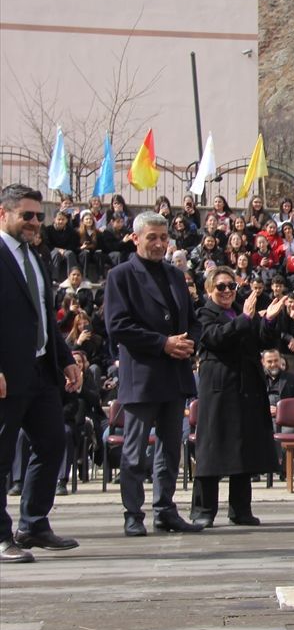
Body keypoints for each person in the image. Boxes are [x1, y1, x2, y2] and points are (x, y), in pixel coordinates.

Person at [104, 212, 203, 536]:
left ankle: (165, 510)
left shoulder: (175, 275)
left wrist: (190, 342)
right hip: (143, 376)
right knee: (134, 452)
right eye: (152, 237)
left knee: (170, 449)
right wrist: (162, 343)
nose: (160, 243)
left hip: (174, 375)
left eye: (164, 238)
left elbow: (191, 319)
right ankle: (133, 513)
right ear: (136, 238)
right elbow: (118, 326)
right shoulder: (121, 275)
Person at [0, 185, 84, 562]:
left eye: (39, 216)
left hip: (40, 370)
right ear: (4, 214)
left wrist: (64, 357)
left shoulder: (35, 255)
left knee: (52, 442)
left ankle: (33, 523)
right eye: (27, 216)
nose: (36, 223)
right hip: (6, 374)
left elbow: (44, 316)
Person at [191, 267, 285, 527]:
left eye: (231, 286)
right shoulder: (204, 313)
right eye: (221, 287)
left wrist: (268, 320)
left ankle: (240, 509)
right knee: (211, 448)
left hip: (246, 388)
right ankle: (203, 510)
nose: (227, 291)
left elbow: (262, 341)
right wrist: (245, 317)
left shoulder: (243, 313)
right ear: (210, 289)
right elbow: (215, 338)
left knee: (243, 449)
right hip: (219, 390)